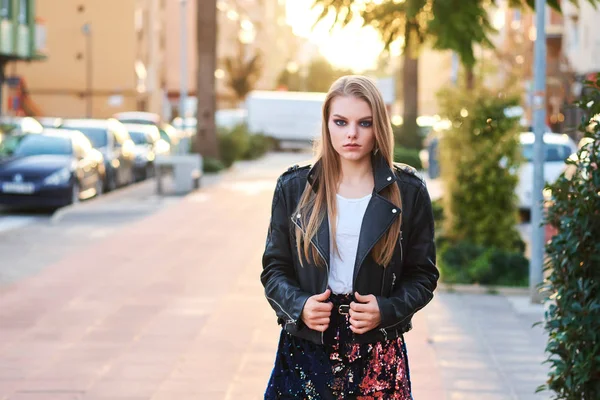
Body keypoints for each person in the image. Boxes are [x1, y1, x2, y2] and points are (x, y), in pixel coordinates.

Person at [261, 75, 439, 399]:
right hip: (307, 347)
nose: (352, 134)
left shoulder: (409, 192)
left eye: (364, 123)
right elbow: (274, 270)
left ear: (378, 127)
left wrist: (385, 310)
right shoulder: (294, 188)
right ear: (327, 124)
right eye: (340, 122)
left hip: (377, 351)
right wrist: (299, 306)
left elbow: (423, 276)